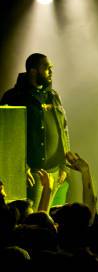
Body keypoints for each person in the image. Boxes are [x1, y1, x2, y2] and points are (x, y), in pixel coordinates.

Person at [1, 53, 70, 209]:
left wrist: (64, 165)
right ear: (33, 71)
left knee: (51, 222)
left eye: (51, 68)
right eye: (46, 68)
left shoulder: (53, 96)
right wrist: (19, 167)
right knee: (33, 222)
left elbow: (64, 129)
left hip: (55, 172)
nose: (51, 71)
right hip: (33, 174)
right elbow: (6, 138)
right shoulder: (14, 97)